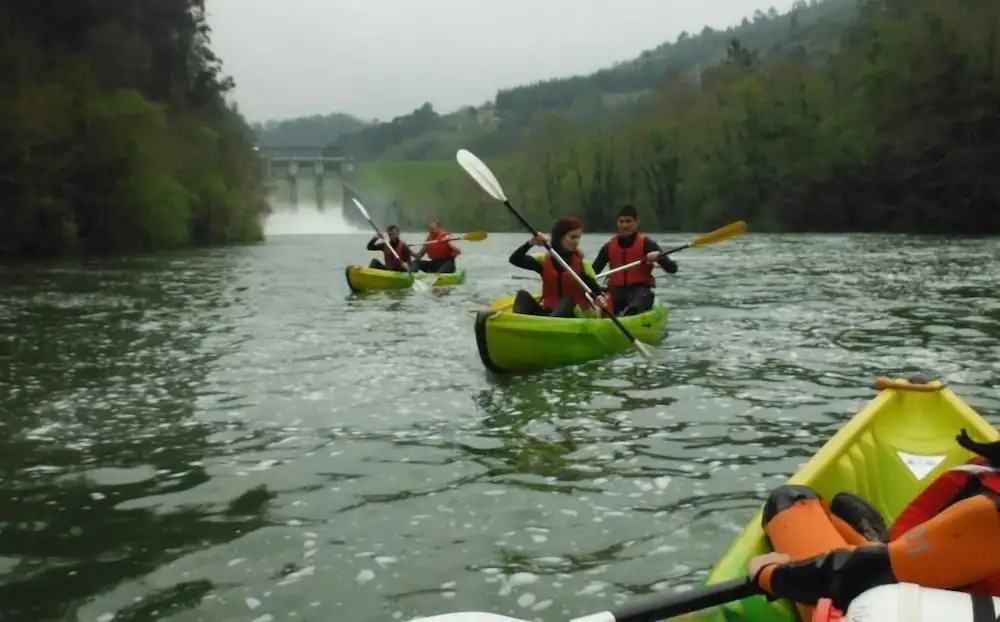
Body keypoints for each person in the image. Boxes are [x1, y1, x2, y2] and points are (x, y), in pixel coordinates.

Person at [747, 428, 1000, 620]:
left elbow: (858, 577)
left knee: (790, 500)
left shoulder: (991, 513)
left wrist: (768, 575)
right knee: (872, 549)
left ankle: (880, 548)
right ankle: (882, 548)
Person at [508, 216, 612, 318]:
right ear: (560, 238)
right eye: (572, 237)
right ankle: (520, 323)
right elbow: (515, 260)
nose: (576, 241)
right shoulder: (543, 261)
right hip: (549, 311)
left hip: (574, 315)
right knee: (522, 296)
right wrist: (531, 243)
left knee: (568, 300)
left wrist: (599, 297)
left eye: (578, 238)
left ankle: (550, 324)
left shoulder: (582, 264)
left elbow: (595, 289)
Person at [591, 204, 677, 316]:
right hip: (615, 291)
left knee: (643, 296)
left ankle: (632, 312)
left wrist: (660, 257)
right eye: (621, 222)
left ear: (637, 223)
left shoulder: (647, 244)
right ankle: (604, 314)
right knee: (597, 294)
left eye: (628, 221)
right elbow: (592, 273)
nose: (624, 225)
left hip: (639, 290)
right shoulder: (608, 247)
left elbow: (673, 269)